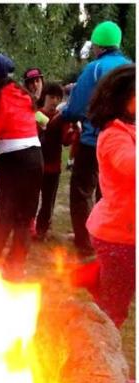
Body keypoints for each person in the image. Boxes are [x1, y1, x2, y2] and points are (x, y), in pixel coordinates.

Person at [61, 20, 131, 259]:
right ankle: (108, 240)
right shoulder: (130, 68)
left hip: (95, 142)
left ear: (99, 46)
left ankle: (84, 242)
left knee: (82, 191)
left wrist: (67, 115)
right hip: (126, 143)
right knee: (110, 194)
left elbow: (75, 107)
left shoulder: (95, 69)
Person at [0, 54, 43, 281]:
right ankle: (15, 270)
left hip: (11, 163)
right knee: (24, 219)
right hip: (36, 160)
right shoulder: (24, 95)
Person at [84, 64, 135, 328]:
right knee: (113, 310)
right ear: (123, 98)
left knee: (115, 293)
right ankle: (101, 361)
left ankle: (92, 276)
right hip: (119, 236)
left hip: (124, 231)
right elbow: (129, 164)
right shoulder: (113, 135)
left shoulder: (131, 129)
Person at [33, 82, 78, 241]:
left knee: (48, 201)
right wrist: (38, 126)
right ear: (44, 97)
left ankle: (43, 230)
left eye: (58, 98)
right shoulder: (36, 115)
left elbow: (66, 140)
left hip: (53, 168)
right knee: (32, 199)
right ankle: (29, 227)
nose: (54, 101)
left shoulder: (62, 118)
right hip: (35, 166)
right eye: (51, 97)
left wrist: (74, 131)